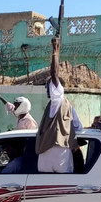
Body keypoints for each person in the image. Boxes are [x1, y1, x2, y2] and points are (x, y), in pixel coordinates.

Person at [35, 37, 83, 173]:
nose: (47, 90)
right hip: (62, 150)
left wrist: (55, 51)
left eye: (49, 87)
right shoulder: (68, 106)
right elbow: (78, 127)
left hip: (53, 151)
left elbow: (54, 74)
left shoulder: (57, 101)